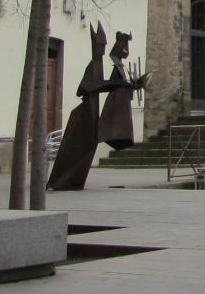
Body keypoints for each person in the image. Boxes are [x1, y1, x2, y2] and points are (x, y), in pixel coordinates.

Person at [47, 27, 149, 191]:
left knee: (89, 146)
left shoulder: (100, 64)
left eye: (103, 46)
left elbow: (106, 85)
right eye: (100, 46)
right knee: (81, 147)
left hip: (93, 111)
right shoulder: (93, 65)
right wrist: (114, 83)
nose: (102, 49)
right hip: (85, 112)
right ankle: (61, 180)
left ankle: (74, 180)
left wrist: (125, 85)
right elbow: (84, 87)